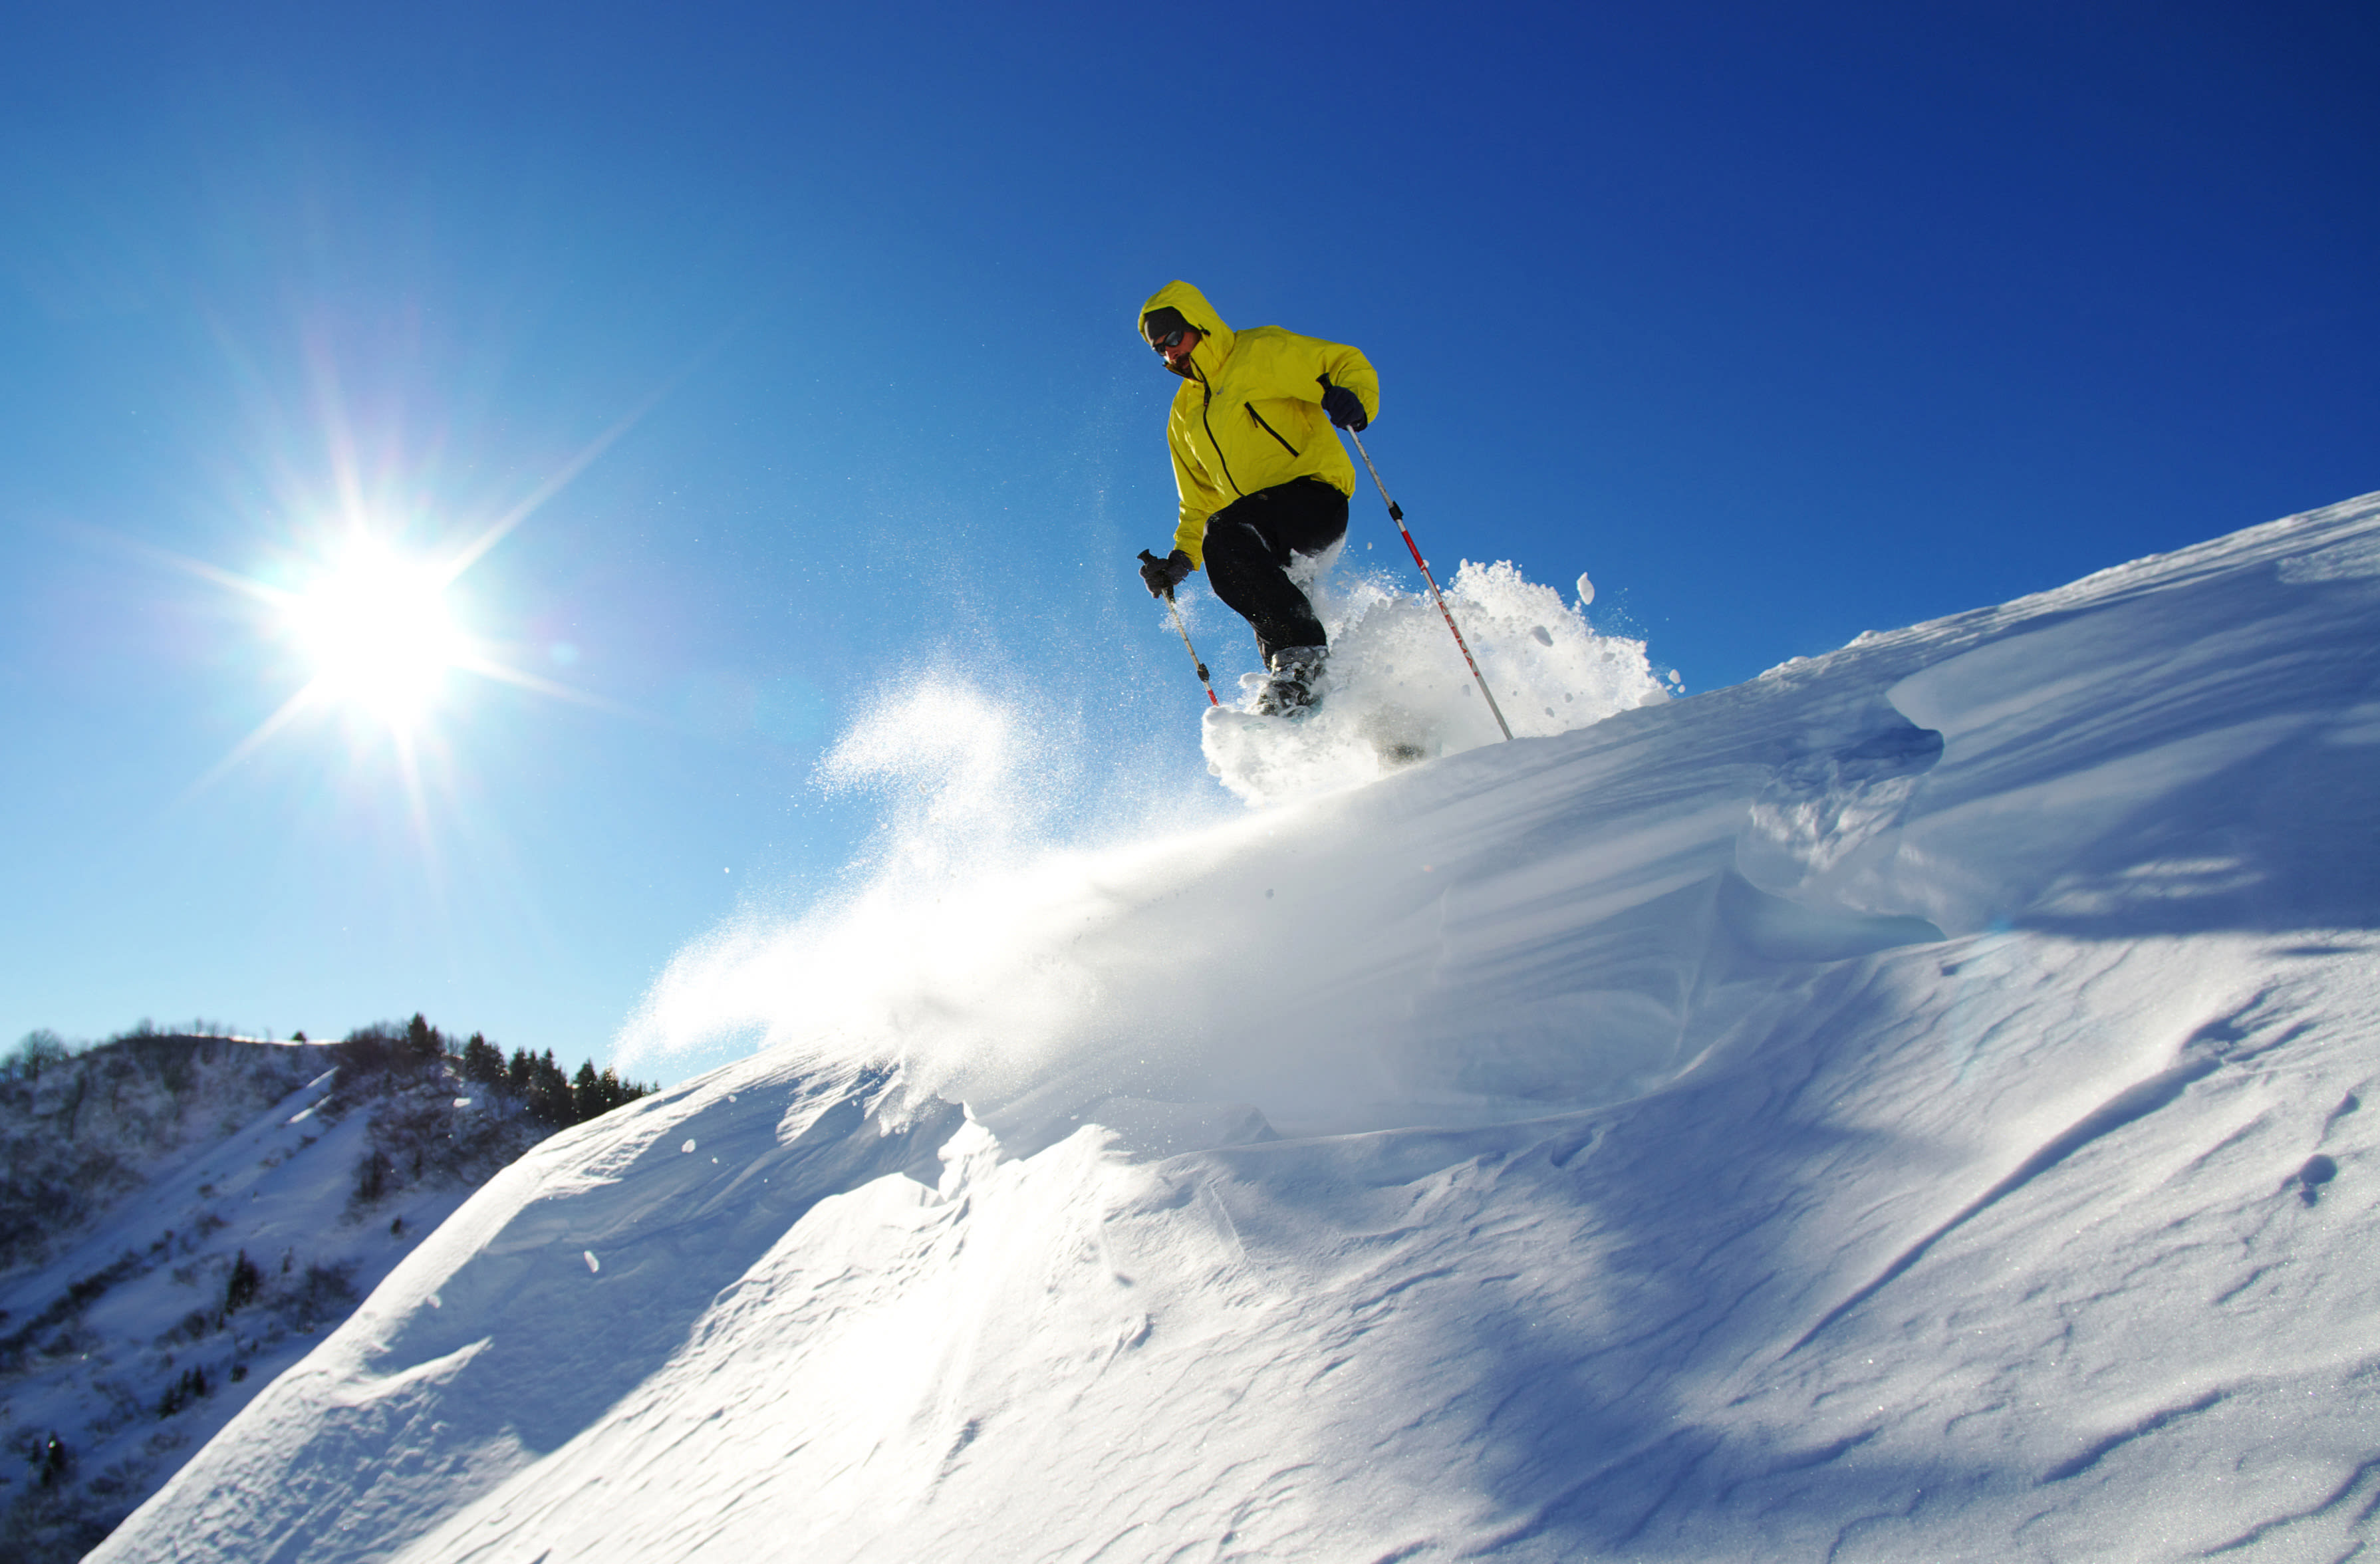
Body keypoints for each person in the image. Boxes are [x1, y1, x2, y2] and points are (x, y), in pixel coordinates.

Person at [1135, 281, 1379, 716]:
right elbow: (1198, 500)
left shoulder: (1258, 352)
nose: (1170, 352)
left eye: (1173, 337)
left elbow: (1341, 362)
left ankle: (1304, 665)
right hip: (1255, 533)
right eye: (1160, 349)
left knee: (1231, 543)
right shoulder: (1183, 414)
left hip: (1312, 498)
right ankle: (1369, 720)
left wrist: (1354, 397)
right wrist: (1181, 559)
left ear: (1199, 325)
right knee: (1270, 610)